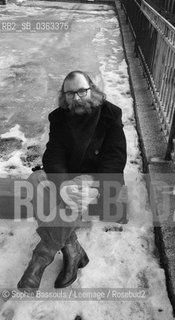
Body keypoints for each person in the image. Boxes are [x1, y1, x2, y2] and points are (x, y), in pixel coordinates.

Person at [17, 70, 127, 293]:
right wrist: (62, 184)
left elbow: (115, 157)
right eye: (70, 94)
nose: (76, 98)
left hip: (96, 179)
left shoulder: (110, 115)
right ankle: (72, 248)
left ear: (92, 90)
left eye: (81, 91)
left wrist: (95, 186)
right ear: (63, 96)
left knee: (76, 193)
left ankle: (40, 259)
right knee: (35, 180)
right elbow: (53, 154)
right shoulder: (59, 117)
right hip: (67, 178)